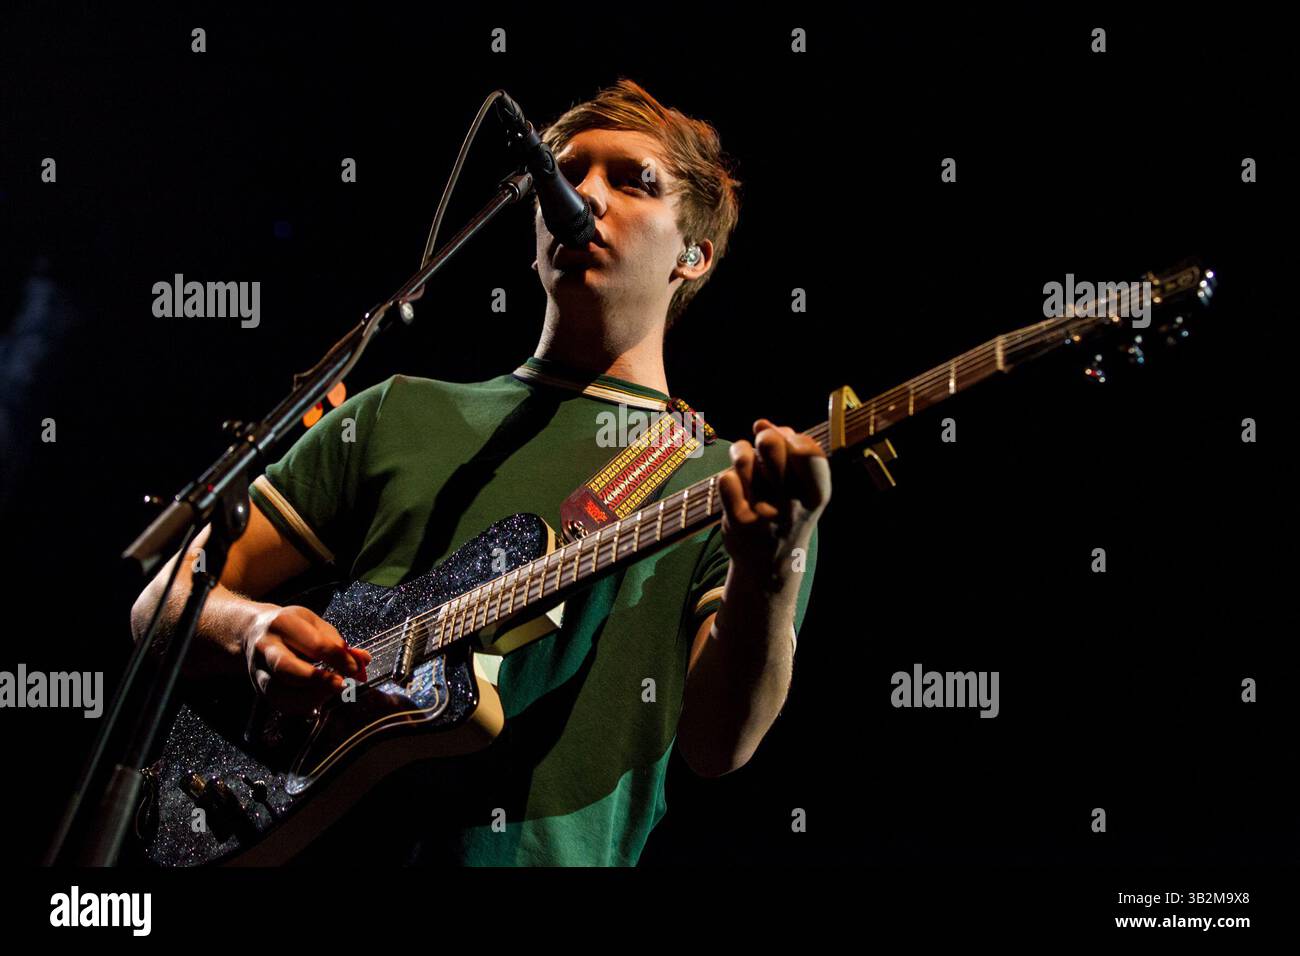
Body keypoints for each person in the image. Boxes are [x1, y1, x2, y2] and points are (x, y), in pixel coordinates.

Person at [131, 78, 830, 865]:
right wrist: (253, 632)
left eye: (634, 181)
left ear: (694, 255)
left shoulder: (732, 483)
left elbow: (720, 746)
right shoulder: (396, 411)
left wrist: (769, 570)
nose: (584, 195)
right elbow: (164, 601)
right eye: (566, 172)